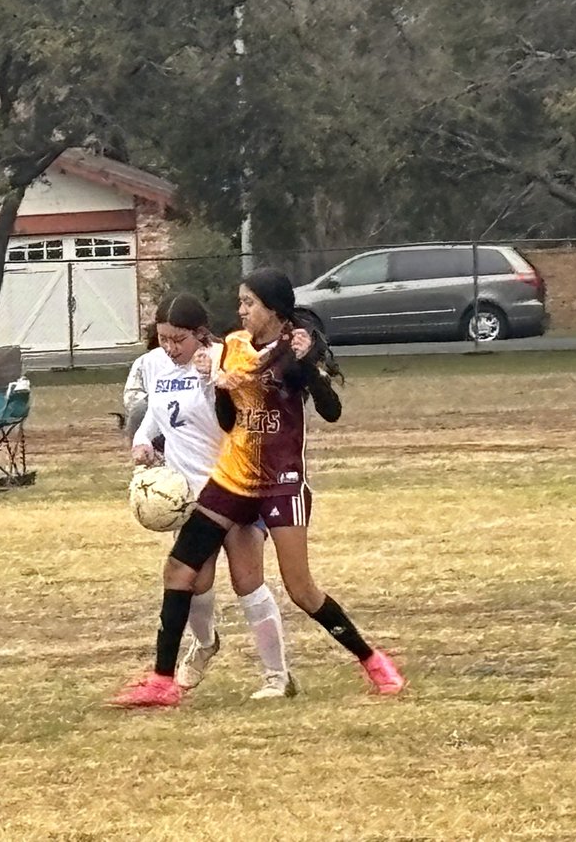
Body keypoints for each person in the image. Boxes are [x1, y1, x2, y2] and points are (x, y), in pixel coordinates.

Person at [113, 267, 405, 708]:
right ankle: (161, 681)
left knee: (301, 588)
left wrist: (309, 366)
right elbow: (230, 422)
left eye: (249, 303)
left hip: (281, 481)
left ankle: (373, 661)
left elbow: (331, 411)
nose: (241, 310)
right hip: (233, 477)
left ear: (273, 309)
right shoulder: (231, 347)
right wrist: (223, 389)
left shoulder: (297, 346)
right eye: (241, 302)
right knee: (179, 570)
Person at [126, 293, 296, 700]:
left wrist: (209, 380)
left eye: (178, 339)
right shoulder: (153, 365)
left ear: (200, 334)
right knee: (194, 582)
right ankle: (204, 645)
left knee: (246, 580)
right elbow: (156, 410)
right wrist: (142, 440)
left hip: (234, 485)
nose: (169, 348)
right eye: (162, 338)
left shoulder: (228, 358)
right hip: (188, 496)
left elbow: (235, 417)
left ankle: (278, 677)